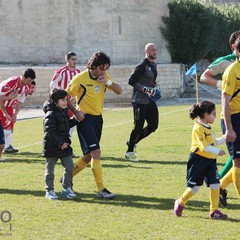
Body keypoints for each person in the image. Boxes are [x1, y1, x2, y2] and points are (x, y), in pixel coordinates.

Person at [66, 51, 122, 199]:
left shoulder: (103, 77)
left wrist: (108, 82)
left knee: (89, 156)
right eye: (103, 68)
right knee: (96, 152)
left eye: (106, 69)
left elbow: (119, 91)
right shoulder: (80, 78)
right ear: (95, 66)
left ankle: (66, 178)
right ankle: (101, 189)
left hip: (98, 119)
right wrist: (75, 112)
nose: (105, 71)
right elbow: (66, 96)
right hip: (84, 119)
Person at [200, 30, 240, 206]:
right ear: (234, 46)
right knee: (237, 159)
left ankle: (221, 185)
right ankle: (219, 185)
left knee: (237, 158)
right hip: (232, 112)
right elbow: (204, 76)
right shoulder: (227, 63)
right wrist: (222, 85)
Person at [174, 100, 227, 220]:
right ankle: (180, 202)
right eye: (213, 113)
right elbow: (204, 147)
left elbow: (215, 142)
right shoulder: (198, 128)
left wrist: (225, 137)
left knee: (215, 185)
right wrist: (217, 151)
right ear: (206, 114)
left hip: (210, 162)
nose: (215, 115)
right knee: (195, 188)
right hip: (198, 161)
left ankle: (214, 211)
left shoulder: (208, 127)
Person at [125, 43, 161, 162]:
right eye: (152, 50)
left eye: (155, 50)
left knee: (153, 125)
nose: (154, 52)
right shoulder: (142, 65)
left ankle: (132, 142)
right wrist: (145, 89)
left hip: (149, 100)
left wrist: (155, 87)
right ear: (146, 51)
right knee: (138, 126)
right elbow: (131, 81)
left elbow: (151, 81)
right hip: (139, 100)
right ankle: (129, 151)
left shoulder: (154, 65)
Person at [43, 88, 77, 200]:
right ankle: (50, 191)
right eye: (63, 100)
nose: (65, 102)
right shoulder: (50, 114)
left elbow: (65, 125)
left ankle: (66, 188)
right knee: (50, 171)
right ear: (55, 100)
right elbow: (50, 132)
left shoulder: (63, 112)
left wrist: (76, 119)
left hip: (64, 147)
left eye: (66, 100)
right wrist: (60, 142)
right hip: (51, 147)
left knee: (70, 167)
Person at [220, 37, 240, 204]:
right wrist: (229, 129)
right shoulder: (231, 71)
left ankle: (219, 186)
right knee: (237, 161)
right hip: (233, 118)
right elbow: (225, 101)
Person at [0, 68, 36, 162]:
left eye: (31, 81)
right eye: (28, 80)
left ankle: (5, 148)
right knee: (5, 131)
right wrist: (4, 111)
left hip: (9, 107)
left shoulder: (27, 87)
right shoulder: (11, 82)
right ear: (23, 77)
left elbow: (20, 101)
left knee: (7, 131)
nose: (29, 83)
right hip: (1, 106)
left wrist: (15, 114)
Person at [50, 51, 80, 140]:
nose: (74, 61)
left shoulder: (78, 72)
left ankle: (66, 140)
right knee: (62, 122)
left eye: (76, 59)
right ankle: (62, 141)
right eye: (72, 59)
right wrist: (62, 95)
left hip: (71, 103)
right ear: (67, 60)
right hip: (62, 103)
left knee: (73, 121)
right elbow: (52, 84)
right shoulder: (61, 71)